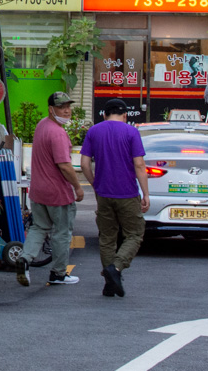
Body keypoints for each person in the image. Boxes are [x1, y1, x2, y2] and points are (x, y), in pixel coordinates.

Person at [80, 99, 150, 298]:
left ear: (104, 114)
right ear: (125, 115)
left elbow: (84, 164)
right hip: (127, 193)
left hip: (103, 194)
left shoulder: (94, 131)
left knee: (107, 238)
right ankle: (116, 268)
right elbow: (139, 165)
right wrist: (146, 193)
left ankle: (109, 283)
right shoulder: (131, 132)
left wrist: (95, 183)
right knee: (134, 233)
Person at [18, 91, 84, 287]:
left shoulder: (42, 126)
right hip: (57, 193)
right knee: (62, 233)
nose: (67, 111)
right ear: (51, 109)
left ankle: (25, 258)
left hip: (38, 190)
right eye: (61, 107)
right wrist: (78, 187)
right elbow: (65, 165)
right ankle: (58, 273)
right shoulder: (58, 133)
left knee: (39, 227)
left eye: (68, 106)